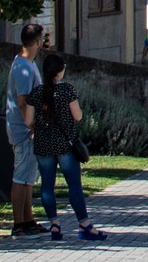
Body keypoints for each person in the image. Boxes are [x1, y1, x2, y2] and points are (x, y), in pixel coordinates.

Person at [29, 52, 105, 242]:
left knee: (47, 185)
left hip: (43, 144)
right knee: (74, 186)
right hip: (65, 145)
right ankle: (84, 224)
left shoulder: (36, 93)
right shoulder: (67, 90)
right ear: (60, 71)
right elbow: (78, 116)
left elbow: (28, 120)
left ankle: (54, 224)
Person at [7, 21, 47, 237]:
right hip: (24, 131)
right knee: (21, 177)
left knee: (29, 176)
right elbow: (23, 102)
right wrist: (31, 126)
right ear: (38, 42)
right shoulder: (23, 67)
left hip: (29, 128)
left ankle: (28, 219)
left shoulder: (26, 63)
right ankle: (18, 223)